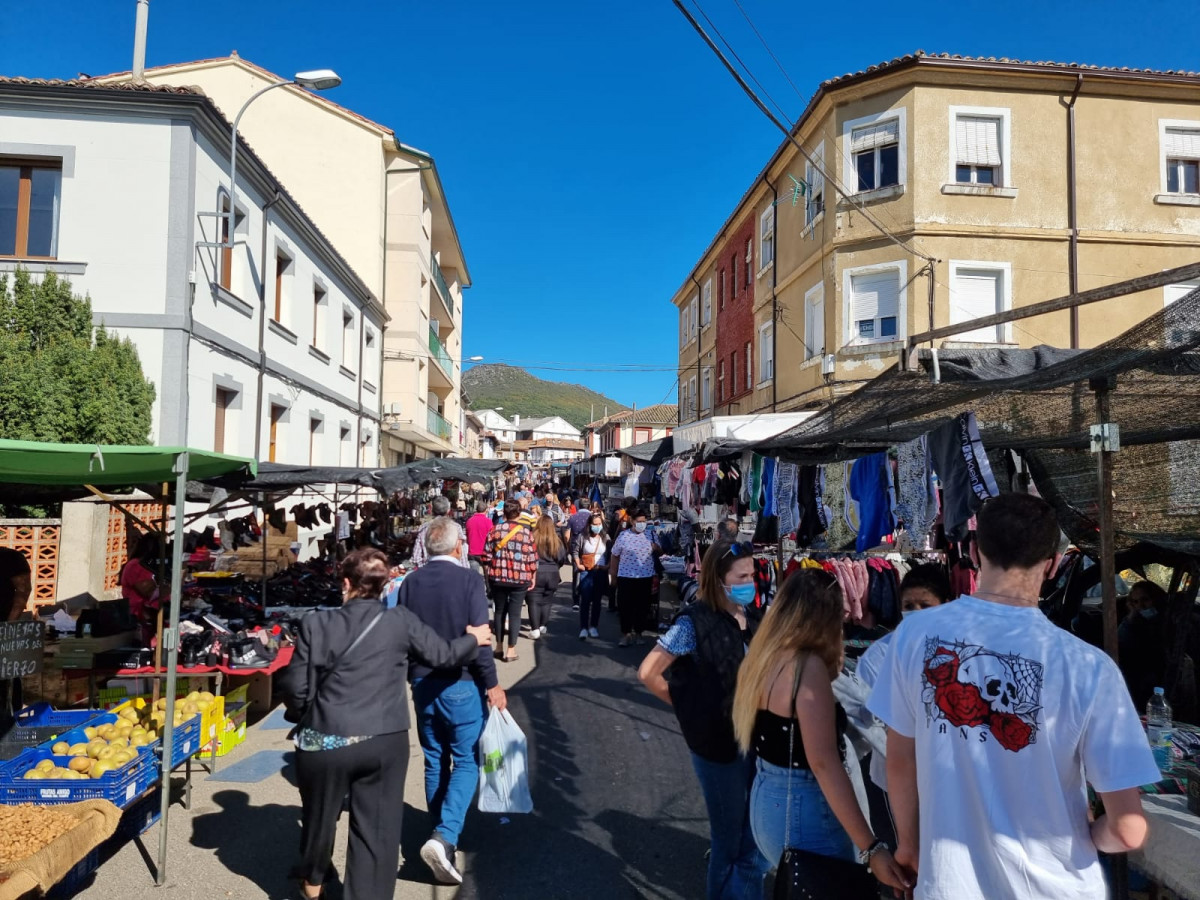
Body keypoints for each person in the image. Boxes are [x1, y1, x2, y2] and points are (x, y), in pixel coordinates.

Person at [868, 493, 1158, 899]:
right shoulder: (1089, 668)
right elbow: (1128, 830)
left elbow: (899, 759)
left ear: (972, 551)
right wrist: (1090, 832)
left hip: (949, 885)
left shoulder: (914, 636)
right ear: (1053, 564)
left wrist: (911, 845)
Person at [280, 548, 491, 900]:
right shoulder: (400, 622)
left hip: (324, 738)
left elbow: (294, 686)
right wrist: (475, 639)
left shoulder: (316, 624)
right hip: (382, 739)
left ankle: (313, 880)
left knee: (319, 818)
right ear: (386, 584)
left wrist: (308, 712)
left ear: (345, 583)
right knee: (375, 834)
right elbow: (443, 655)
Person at [730, 569, 909, 893]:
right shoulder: (805, 668)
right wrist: (872, 848)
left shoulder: (762, 656)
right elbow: (824, 764)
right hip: (804, 806)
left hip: (767, 800)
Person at [638, 539, 768, 900]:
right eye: (741, 576)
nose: (750, 581)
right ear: (718, 578)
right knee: (728, 844)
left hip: (758, 743)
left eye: (752, 574)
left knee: (755, 841)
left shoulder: (756, 617)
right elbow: (648, 672)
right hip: (718, 747)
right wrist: (690, 708)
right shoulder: (695, 622)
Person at [398, 519, 506, 885]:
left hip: (423, 682)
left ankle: (438, 832)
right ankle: (444, 836)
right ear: (459, 546)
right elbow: (481, 637)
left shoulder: (410, 582)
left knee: (433, 759)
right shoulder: (469, 580)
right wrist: (492, 684)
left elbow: (403, 634)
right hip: (461, 683)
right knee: (466, 761)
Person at [485, 500, 538, 663]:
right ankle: (511, 650)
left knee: (499, 611)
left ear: (504, 514)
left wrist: (488, 575)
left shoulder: (494, 531)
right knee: (515, 613)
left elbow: (486, 556)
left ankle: (499, 646)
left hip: (498, 577)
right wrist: (532, 576)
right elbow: (532, 559)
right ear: (520, 514)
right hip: (519, 578)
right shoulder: (525, 533)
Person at [609, 507, 661, 647]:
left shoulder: (651, 534)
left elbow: (661, 552)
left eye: (644, 521)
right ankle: (625, 634)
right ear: (632, 521)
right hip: (626, 576)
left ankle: (639, 633)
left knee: (643, 606)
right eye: (639, 521)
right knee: (625, 606)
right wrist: (613, 575)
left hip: (645, 576)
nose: (642, 524)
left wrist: (656, 547)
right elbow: (614, 555)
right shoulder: (624, 536)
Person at [0, 546, 32, 728]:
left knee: (7, 678)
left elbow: (23, 592)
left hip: (4, 627)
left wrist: (8, 626)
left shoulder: (10, 558)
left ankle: (10, 721)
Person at [527, 515, 567, 640]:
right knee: (547, 601)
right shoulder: (557, 541)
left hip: (536, 573)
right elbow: (561, 558)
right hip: (553, 573)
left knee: (534, 601)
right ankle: (543, 625)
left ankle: (534, 628)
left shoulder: (532, 538)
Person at [120, 532, 164, 646]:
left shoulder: (149, 565)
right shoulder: (135, 565)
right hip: (138, 614)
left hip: (149, 612)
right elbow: (147, 592)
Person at [572, 513, 609, 640]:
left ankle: (594, 626)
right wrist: (578, 564)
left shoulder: (605, 537)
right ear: (590, 525)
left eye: (599, 524)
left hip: (600, 572)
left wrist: (607, 566)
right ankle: (583, 628)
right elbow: (575, 551)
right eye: (595, 524)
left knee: (597, 601)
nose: (597, 526)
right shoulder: (583, 537)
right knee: (585, 600)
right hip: (586, 571)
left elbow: (611, 553)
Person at [411, 497, 467, 569]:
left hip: (429, 574)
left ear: (432, 510)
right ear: (448, 510)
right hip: (453, 573)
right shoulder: (456, 528)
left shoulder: (424, 528)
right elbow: (462, 557)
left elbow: (416, 558)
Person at [566, 501, 594, 611]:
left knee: (576, 574)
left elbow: (567, 535)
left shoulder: (573, 517)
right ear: (590, 506)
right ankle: (589, 598)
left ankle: (576, 601)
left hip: (576, 548)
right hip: (591, 548)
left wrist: (569, 547)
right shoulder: (593, 518)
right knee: (590, 573)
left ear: (578, 506)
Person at [465, 501, 494, 578]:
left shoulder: (469, 521)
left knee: (474, 577)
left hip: (472, 552)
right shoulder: (488, 522)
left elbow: (467, 535)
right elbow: (491, 537)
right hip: (485, 552)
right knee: (487, 576)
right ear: (486, 510)